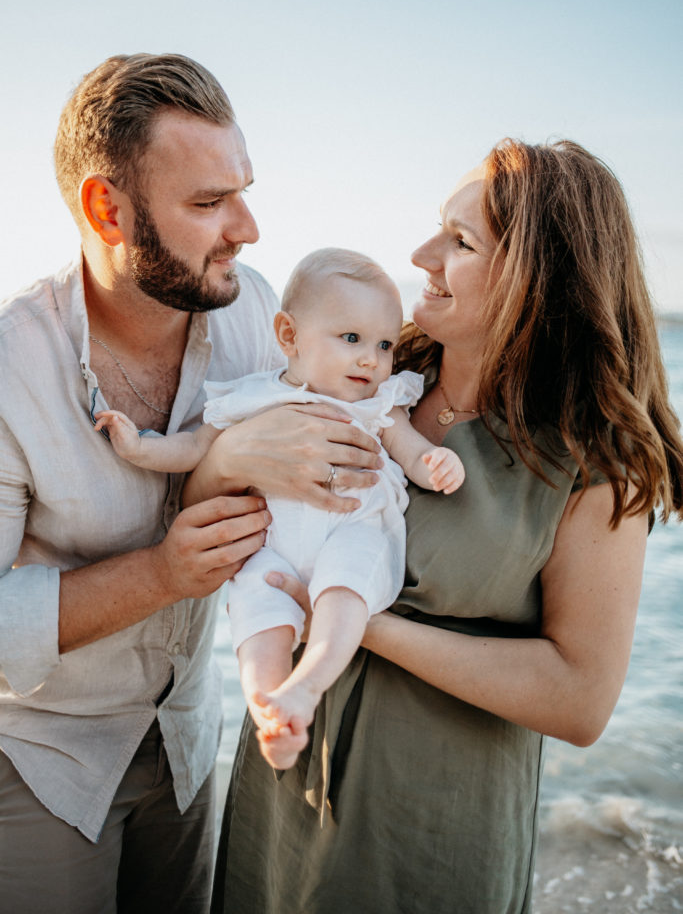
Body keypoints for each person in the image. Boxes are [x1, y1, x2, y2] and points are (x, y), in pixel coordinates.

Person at [205, 139, 683, 914]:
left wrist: (362, 624)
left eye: (460, 243)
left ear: (540, 278)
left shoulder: (592, 458)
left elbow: (580, 699)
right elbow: (217, 501)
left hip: (432, 827)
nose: (422, 255)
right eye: (438, 228)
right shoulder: (364, 375)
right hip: (285, 783)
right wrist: (225, 458)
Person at [0, 54, 383, 914]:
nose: (245, 228)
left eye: (241, 191)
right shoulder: (7, 369)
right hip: (40, 766)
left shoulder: (258, 314)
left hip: (190, 744)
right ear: (108, 208)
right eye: (208, 204)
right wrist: (163, 574)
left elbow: (371, 409)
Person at [93, 248, 465, 768]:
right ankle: (271, 706)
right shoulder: (252, 396)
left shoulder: (379, 403)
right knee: (256, 602)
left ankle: (308, 686)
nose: (370, 359)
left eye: (384, 344)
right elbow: (196, 448)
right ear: (289, 336)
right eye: (351, 339)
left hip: (353, 530)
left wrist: (437, 464)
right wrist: (139, 448)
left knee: (346, 582)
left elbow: (411, 450)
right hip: (275, 548)